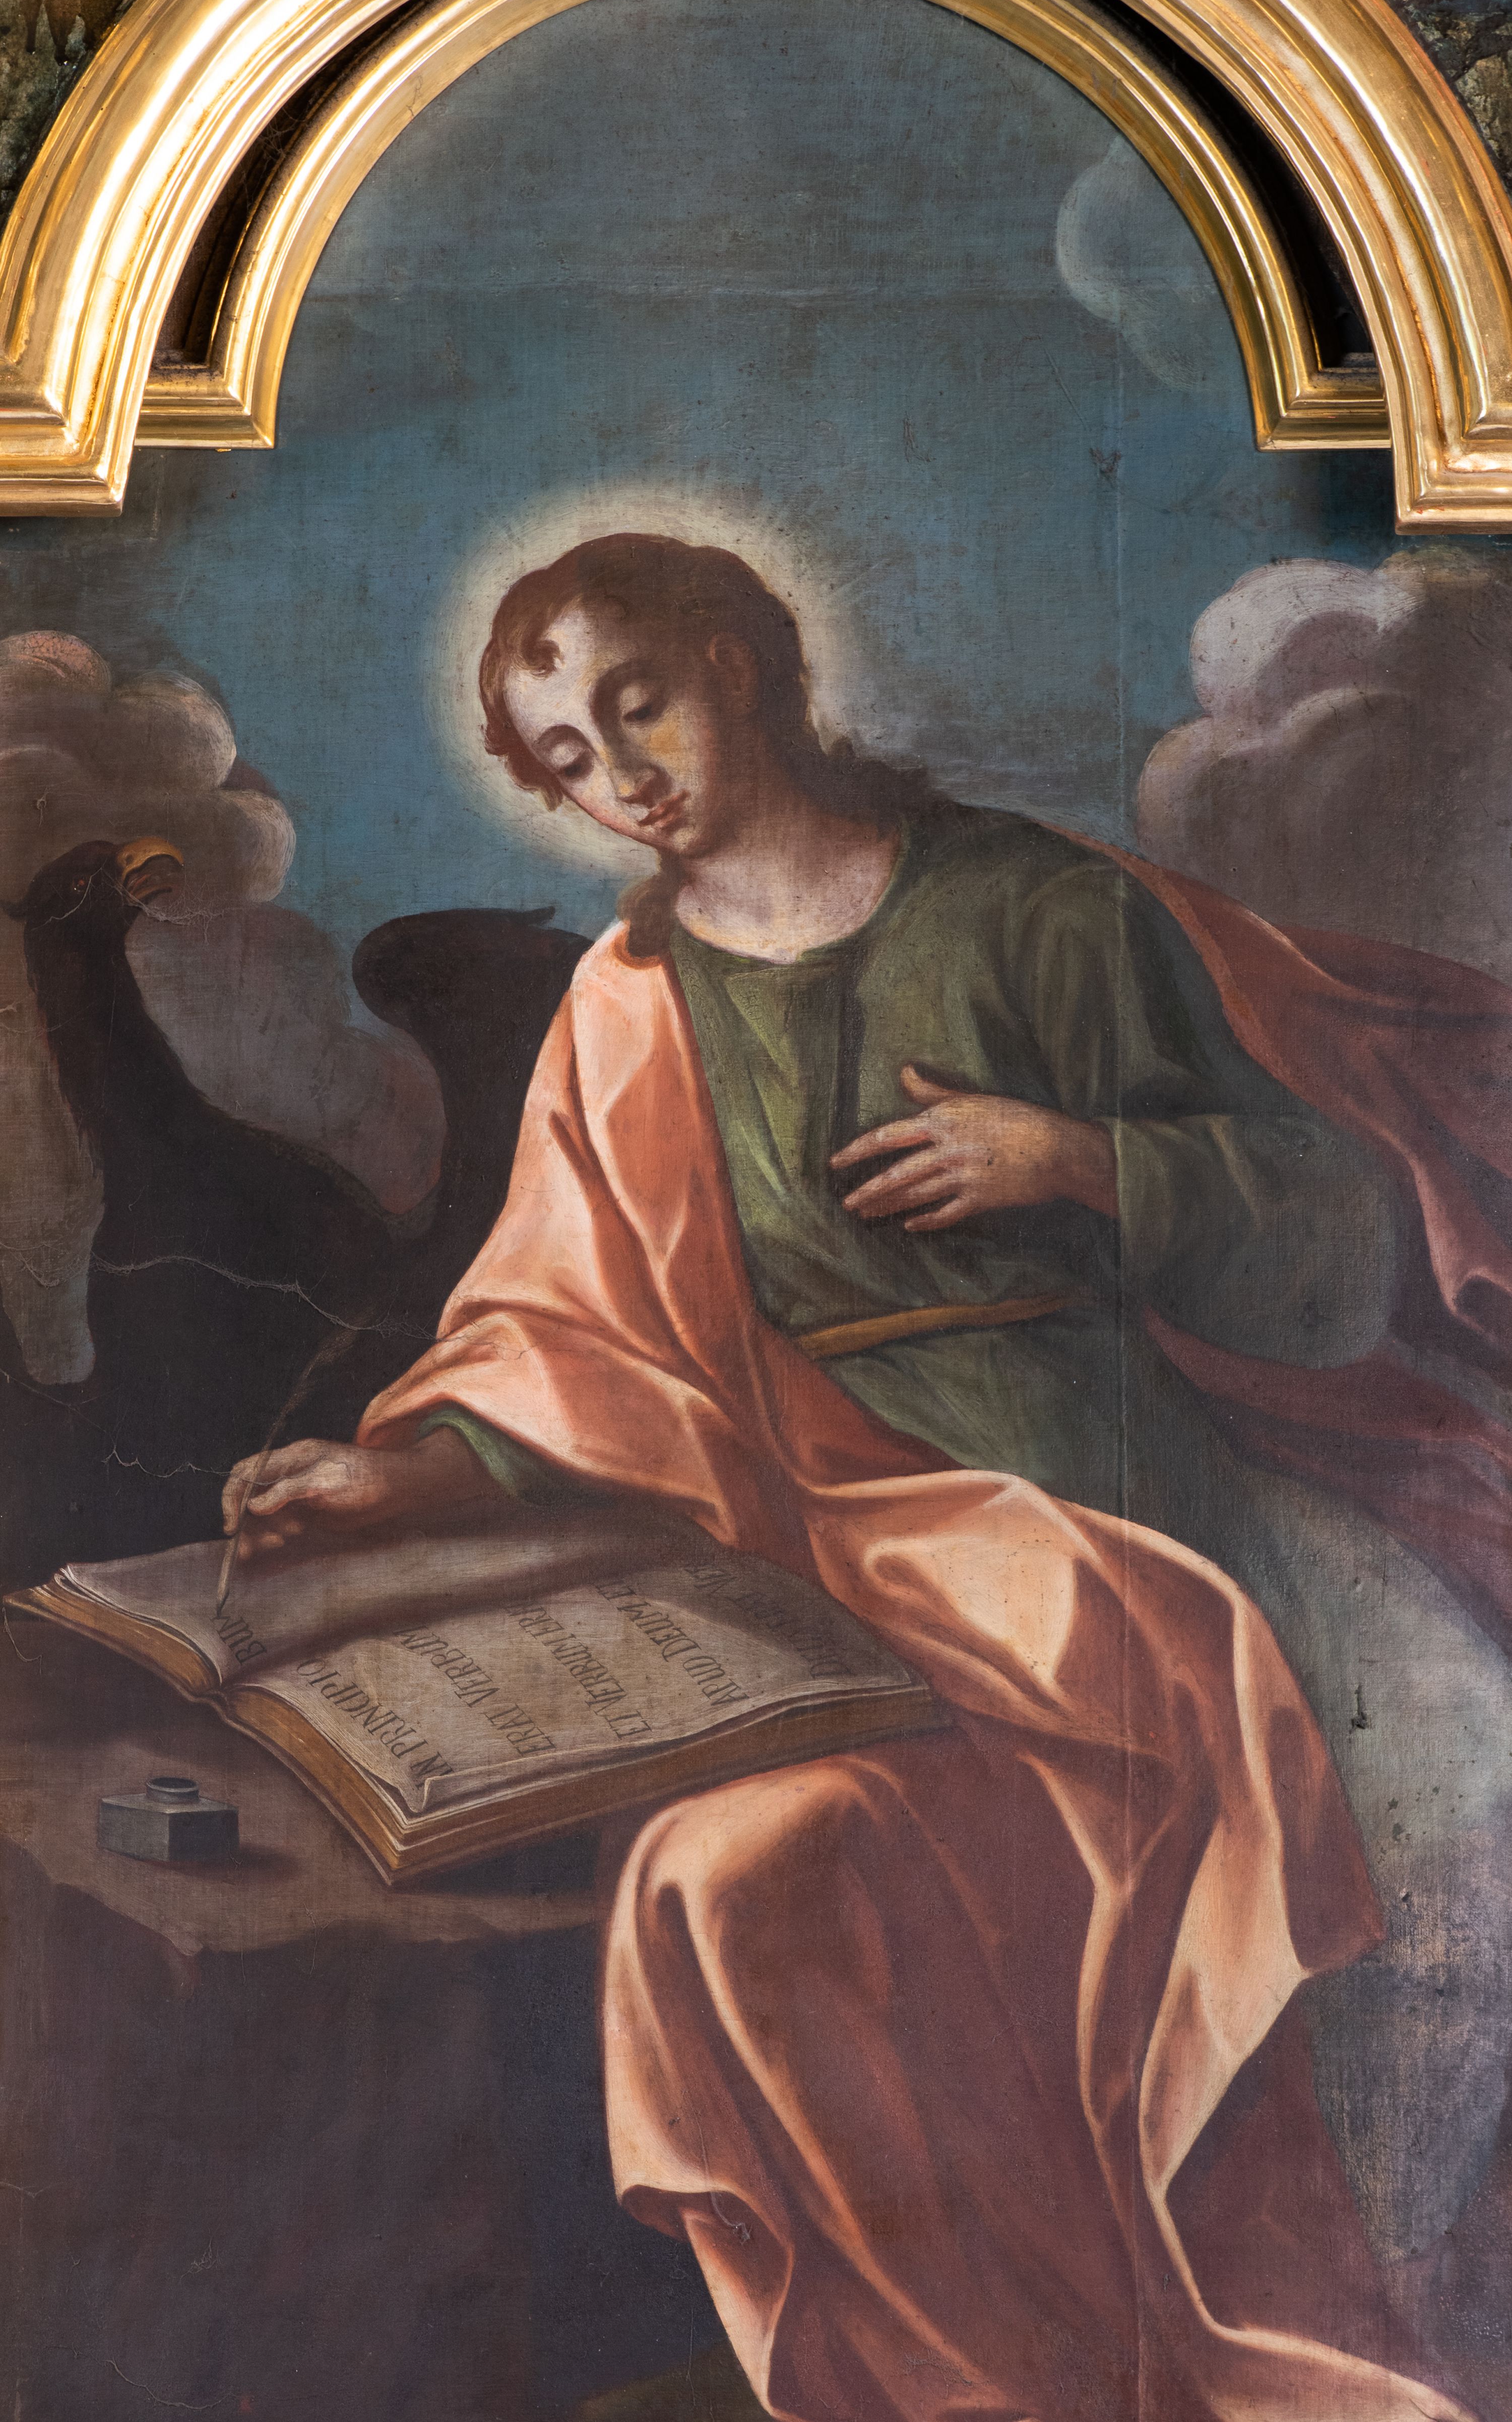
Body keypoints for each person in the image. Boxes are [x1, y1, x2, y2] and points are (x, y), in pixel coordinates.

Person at [224, 535, 1512, 2422]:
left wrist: (1079, 1159)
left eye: (639, 702)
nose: (622, 773)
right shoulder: (627, 1004)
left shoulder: (1036, 911)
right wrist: (402, 1474)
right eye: (570, 756)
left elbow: (1330, 1250)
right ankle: (952, 2386)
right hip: (799, 1559)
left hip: (1103, 1539)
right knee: (714, 1879)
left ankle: (1145, 2347)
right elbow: (571, 1332)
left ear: (740, 663)